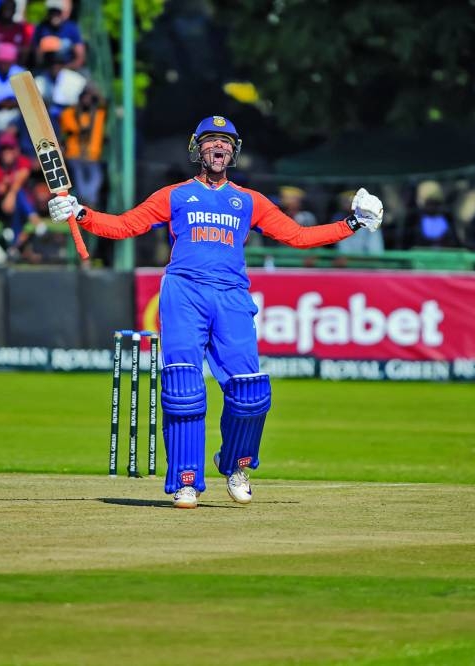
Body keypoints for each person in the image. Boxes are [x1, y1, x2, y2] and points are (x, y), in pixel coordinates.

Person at [49, 116, 383, 509]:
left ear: (234, 151)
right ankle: (186, 481)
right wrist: (81, 212)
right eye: (210, 142)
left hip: (231, 297)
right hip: (184, 292)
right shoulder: (174, 195)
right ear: (198, 150)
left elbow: (299, 237)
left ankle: (235, 465)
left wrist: (353, 222)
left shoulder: (249, 200)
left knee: (250, 393)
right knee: (183, 390)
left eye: (225, 142)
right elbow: (125, 226)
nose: (218, 147)